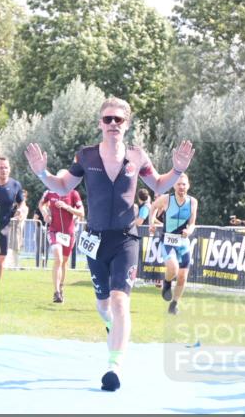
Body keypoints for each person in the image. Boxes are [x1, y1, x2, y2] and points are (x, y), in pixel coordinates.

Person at [25, 96, 194, 392]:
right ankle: (110, 326)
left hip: (126, 238)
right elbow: (62, 185)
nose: (113, 124)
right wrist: (42, 173)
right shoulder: (85, 156)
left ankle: (113, 367)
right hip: (95, 239)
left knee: (119, 301)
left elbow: (157, 184)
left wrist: (177, 171)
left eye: (118, 119)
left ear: (127, 124)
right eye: (108, 119)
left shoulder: (138, 156)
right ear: (100, 124)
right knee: (104, 305)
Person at [148, 173, 198, 315]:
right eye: (178, 184)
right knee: (173, 268)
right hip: (168, 240)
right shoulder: (166, 199)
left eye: (184, 184)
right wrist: (151, 222)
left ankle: (174, 304)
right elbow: (153, 207)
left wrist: (189, 231)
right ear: (174, 186)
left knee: (182, 276)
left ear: (188, 186)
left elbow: (193, 224)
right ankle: (167, 283)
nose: (181, 187)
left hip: (183, 242)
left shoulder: (193, 202)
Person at [39, 185, 84, 302]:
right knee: (58, 259)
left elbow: (81, 213)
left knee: (64, 262)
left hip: (69, 234)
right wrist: (45, 214)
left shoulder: (73, 193)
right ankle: (56, 292)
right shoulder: (49, 192)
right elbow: (41, 204)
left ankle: (61, 286)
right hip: (54, 231)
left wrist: (67, 207)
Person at [0, 156, 25, 281]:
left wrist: (21, 209)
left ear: (9, 169)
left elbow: (21, 201)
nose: (3, 170)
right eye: (0, 167)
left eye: (6, 167)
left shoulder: (15, 185)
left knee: (1, 258)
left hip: (4, 227)